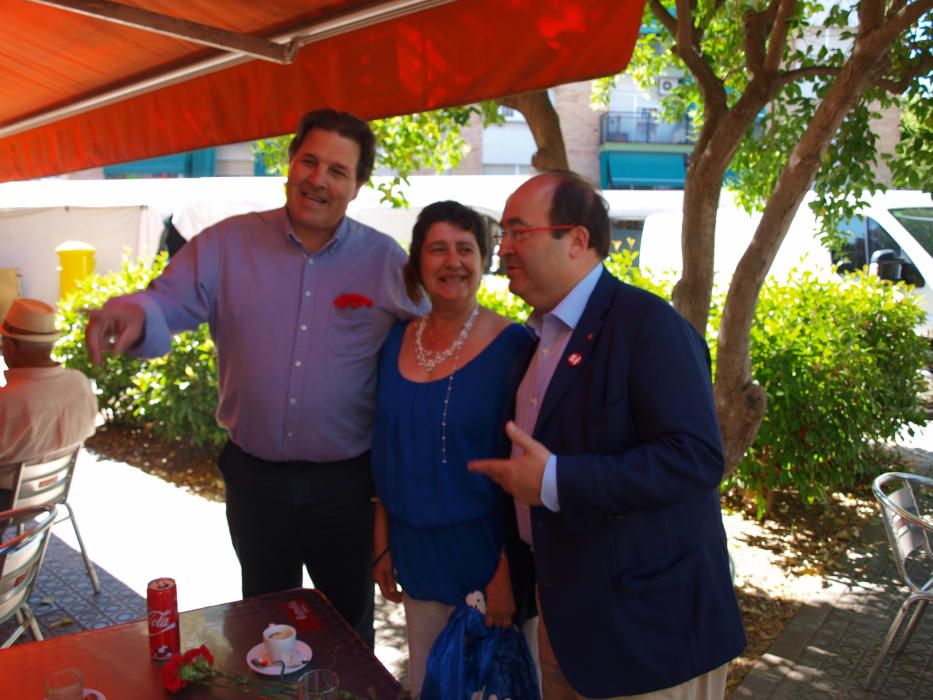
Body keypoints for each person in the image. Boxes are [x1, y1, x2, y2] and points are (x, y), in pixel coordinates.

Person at [84, 110, 426, 646]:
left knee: (349, 634)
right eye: (309, 161)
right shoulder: (225, 245)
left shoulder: (384, 261)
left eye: (338, 171)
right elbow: (166, 301)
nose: (318, 179)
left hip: (347, 488)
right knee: (264, 630)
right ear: (289, 165)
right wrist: (134, 312)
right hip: (255, 481)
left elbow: (432, 340)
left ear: (357, 187)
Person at [470, 171, 746, 699]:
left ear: (576, 240)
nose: (502, 248)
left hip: (649, 638)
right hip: (568, 625)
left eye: (518, 232)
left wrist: (555, 479)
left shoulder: (649, 326)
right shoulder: (535, 337)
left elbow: (694, 458)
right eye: (501, 234)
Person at [370, 201, 536, 697]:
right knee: (430, 684)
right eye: (437, 249)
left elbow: (523, 468)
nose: (452, 262)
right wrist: (381, 540)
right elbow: (386, 446)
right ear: (418, 261)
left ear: (484, 260)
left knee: (494, 686)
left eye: (465, 249)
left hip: (487, 558)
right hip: (417, 554)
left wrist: (506, 571)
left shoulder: (515, 347)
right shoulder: (395, 340)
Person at [0, 298, 97, 500]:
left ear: (10, 346)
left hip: (6, 506)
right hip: (50, 496)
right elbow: (89, 430)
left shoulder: (7, 402)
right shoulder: (80, 383)